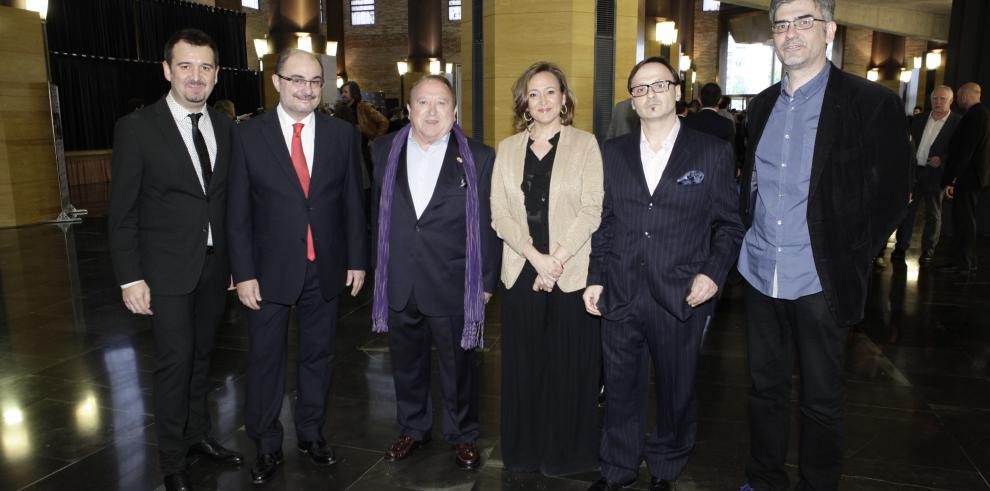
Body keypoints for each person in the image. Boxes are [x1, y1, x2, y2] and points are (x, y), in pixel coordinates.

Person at [736, 1, 912, 489]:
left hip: (819, 278)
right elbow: (754, 180)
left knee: (821, 399)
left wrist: (852, 252)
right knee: (763, 390)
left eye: (804, 21)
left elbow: (895, 190)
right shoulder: (763, 103)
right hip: (759, 271)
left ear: (830, 30)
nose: (791, 33)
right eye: (782, 24)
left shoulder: (869, 102)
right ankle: (764, 478)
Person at [583, 56, 744, 491]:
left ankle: (666, 468)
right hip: (620, 289)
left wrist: (712, 274)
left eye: (659, 86)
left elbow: (729, 225)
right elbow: (605, 221)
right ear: (632, 102)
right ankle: (617, 468)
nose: (650, 95)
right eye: (640, 89)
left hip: (680, 292)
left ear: (677, 91)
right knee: (619, 387)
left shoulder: (710, 152)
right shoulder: (612, 152)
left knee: (676, 388)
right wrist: (596, 276)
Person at [108, 28, 243, 491]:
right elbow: (122, 212)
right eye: (185, 66)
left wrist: (233, 265)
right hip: (163, 271)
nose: (195, 76)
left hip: (212, 268)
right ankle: (171, 460)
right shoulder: (138, 128)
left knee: (203, 357)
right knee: (174, 361)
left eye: (205, 67)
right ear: (167, 70)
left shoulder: (226, 127)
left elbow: (225, 203)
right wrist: (131, 279)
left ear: (217, 75)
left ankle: (198, 435)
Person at [226, 49, 368, 484]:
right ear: (277, 82)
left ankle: (310, 433)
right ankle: (266, 444)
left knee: (319, 355)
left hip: (323, 267)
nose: (306, 89)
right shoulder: (249, 136)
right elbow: (237, 212)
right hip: (267, 271)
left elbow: (352, 203)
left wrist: (357, 260)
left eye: (313, 81)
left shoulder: (342, 135)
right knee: (266, 359)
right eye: (296, 80)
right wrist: (243, 271)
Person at [370, 75, 500, 470]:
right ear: (408, 109)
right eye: (423, 103)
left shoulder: (478, 156)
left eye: (441, 103)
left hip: (453, 280)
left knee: (458, 365)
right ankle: (413, 428)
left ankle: (463, 434)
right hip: (400, 278)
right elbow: (374, 213)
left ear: (454, 110)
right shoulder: (381, 150)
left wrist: (486, 281)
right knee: (406, 361)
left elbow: (488, 224)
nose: (431, 111)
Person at [490, 62, 604, 475]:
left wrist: (554, 260)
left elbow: (593, 210)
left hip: (571, 272)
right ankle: (524, 453)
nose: (542, 101)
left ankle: (568, 455)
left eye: (550, 92)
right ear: (524, 101)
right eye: (534, 93)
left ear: (564, 98)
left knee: (569, 365)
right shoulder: (507, 149)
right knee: (524, 366)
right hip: (521, 272)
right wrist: (536, 259)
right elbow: (499, 215)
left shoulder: (586, 144)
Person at [891, 86, 960, 264]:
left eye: (942, 99)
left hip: (937, 175)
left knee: (933, 215)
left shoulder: (956, 123)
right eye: (935, 99)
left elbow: (960, 151)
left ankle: (928, 251)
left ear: (951, 101)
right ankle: (900, 247)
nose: (938, 102)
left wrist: (943, 160)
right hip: (915, 172)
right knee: (907, 211)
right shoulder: (919, 119)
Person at [939, 82, 990, 273]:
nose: (959, 100)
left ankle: (963, 262)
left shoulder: (975, 116)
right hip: (972, 177)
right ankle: (968, 260)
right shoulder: (981, 114)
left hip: (967, 178)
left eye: (959, 96)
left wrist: (953, 179)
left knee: (963, 221)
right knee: (966, 219)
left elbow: (965, 151)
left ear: (966, 96)